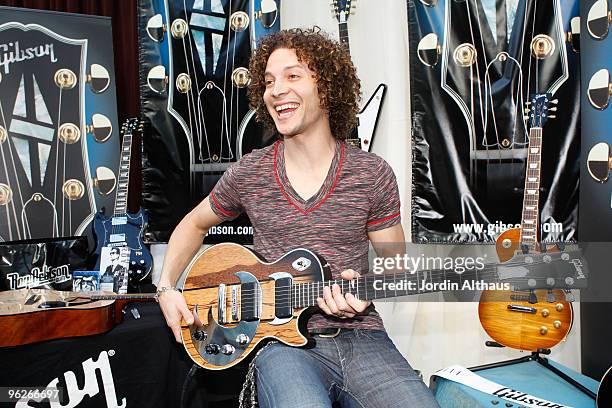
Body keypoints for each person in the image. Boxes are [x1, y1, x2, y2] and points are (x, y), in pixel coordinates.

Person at [158, 28, 440, 407]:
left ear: (328, 87)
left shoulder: (372, 174)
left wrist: (366, 288)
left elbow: (395, 266)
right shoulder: (250, 172)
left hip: (362, 338)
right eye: (269, 81)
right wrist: (166, 287)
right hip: (279, 345)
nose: (276, 90)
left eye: (293, 76)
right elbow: (193, 224)